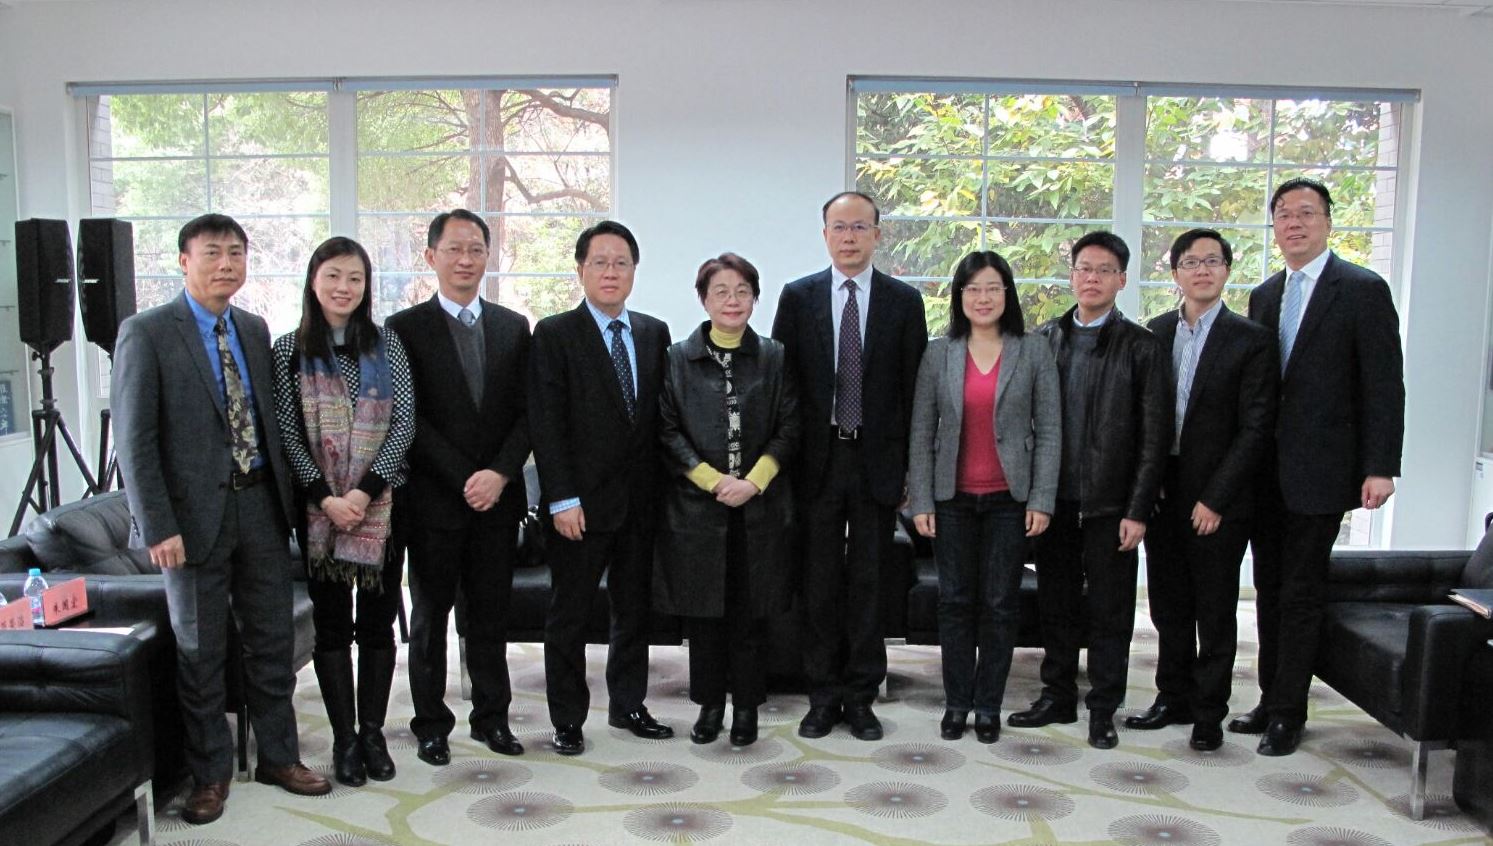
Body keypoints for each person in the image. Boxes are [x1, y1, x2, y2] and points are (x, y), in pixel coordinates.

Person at [113, 213, 331, 825]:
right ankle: (209, 774)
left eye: (236, 252)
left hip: (261, 505)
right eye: (213, 252)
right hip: (189, 520)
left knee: (271, 642)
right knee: (201, 651)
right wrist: (157, 525)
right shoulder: (146, 333)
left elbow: (270, 421)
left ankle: (280, 757)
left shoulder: (253, 329)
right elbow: (134, 441)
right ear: (184, 260)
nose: (227, 264)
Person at [1231, 178, 1404, 756]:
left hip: (1323, 470)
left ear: (1328, 222)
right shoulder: (1265, 295)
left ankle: (1289, 712)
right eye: (1283, 214)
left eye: (1306, 213)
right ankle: (1269, 696)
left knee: (1302, 591)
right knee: (1267, 588)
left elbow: (1384, 384)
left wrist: (1380, 466)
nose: (1294, 223)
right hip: (1265, 473)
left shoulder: (1361, 289)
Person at [772, 191, 928, 741]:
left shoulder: (904, 302)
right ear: (825, 235)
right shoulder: (798, 297)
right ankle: (822, 696)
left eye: (860, 227)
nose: (849, 237)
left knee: (869, 581)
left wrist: (909, 470)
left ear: (878, 235)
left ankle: (861, 697)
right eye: (839, 227)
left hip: (875, 461)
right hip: (817, 460)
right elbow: (784, 387)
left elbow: (913, 392)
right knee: (817, 583)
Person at [1008, 231, 1170, 750]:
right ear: (1071, 275)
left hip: (1111, 506)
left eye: (1104, 270)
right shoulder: (1043, 339)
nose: (1092, 278)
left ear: (1121, 280)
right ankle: (1057, 695)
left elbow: (1154, 438)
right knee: (1055, 605)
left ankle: (1103, 706)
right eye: (1084, 268)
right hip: (1052, 502)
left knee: (1109, 612)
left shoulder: (1142, 346)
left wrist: (1138, 509)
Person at [386, 210, 532, 765]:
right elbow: (409, 416)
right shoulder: (403, 328)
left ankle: (492, 718)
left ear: (488, 256)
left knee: (490, 616)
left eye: (475, 249)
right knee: (429, 620)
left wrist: (499, 473)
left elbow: (528, 412)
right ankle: (431, 725)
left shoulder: (513, 326)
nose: (465, 259)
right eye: (453, 249)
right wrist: (464, 476)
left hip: (498, 499)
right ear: (431, 257)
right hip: (434, 501)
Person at [271, 236, 414, 785]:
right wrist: (326, 498)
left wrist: (362, 493)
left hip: (382, 508)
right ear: (313, 281)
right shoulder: (288, 349)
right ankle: (344, 739)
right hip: (319, 513)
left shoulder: (387, 342)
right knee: (331, 629)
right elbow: (287, 432)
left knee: (378, 626)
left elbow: (403, 423)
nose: (344, 287)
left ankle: (373, 734)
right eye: (333, 275)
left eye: (355, 278)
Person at [530, 220, 674, 756]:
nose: (611, 272)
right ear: (581, 270)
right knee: (569, 614)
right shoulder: (555, 333)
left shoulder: (654, 332)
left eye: (621, 263)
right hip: (580, 506)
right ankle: (567, 718)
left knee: (633, 610)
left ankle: (628, 704)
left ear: (634, 270)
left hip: (640, 502)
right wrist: (562, 497)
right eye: (600, 262)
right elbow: (546, 422)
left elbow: (658, 421)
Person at [1128, 229, 1275, 751]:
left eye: (1212, 261)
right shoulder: (1156, 332)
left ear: (1227, 270)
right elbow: (1143, 415)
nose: (1202, 270)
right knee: (1168, 605)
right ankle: (1173, 696)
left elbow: (1256, 428)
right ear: (1175, 274)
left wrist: (1216, 499)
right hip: (1163, 489)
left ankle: (1209, 711)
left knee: (1214, 609)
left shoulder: (1251, 339)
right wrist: (1146, 487)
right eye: (1191, 262)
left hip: (1219, 495)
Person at [907, 250, 1060, 744]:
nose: (983, 297)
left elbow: (1050, 429)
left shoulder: (1032, 350)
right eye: (973, 289)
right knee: (954, 602)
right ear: (959, 296)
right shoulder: (939, 353)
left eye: (993, 288)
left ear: (1007, 294)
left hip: (1009, 501)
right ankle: (957, 703)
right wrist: (922, 501)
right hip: (951, 500)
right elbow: (921, 431)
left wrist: (1041, 498)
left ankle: (988, 705)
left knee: (999, 604)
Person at [655, 253, 799, 747]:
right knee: (705, 615)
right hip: (698, 509)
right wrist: (714, 482)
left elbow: (790, 426)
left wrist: (753, 482)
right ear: (703, 300)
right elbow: (667, 430)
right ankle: (710, 705)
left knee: (750, 614)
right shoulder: (679, 358)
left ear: (755, 298)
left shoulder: (774, 357)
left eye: (742, 291)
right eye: (721, 291)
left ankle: (748, 708)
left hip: (760, 508)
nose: (732, 300)